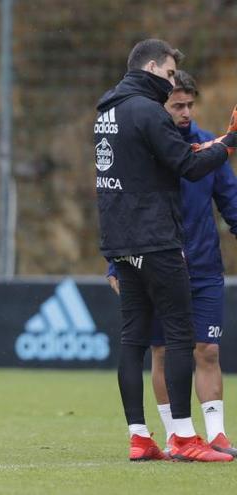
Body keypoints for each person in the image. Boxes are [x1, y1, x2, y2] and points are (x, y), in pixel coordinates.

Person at [95, 39, 237, 462]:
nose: (173, 84)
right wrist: (229, 142)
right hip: (157, 242)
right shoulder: (147, 112)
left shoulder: (108, 111)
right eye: (171, 74)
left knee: (132, 339)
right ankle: (185, 438)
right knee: (177, 340)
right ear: (154, 67)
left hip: (123, 241)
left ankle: (140, 437)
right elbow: (188, 166)